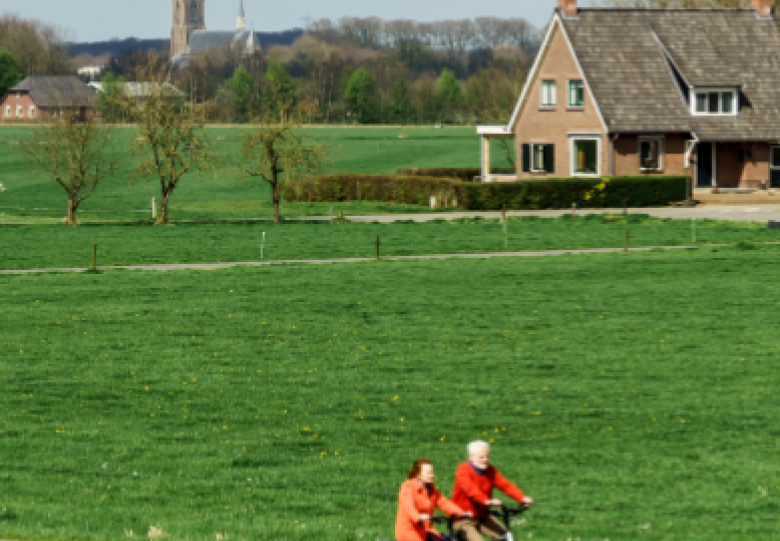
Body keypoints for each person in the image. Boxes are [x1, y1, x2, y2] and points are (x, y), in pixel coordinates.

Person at [451, 441, 533, 541]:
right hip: (462, 519)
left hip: (483, 516)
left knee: (505, 536)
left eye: (487, 457)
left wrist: (521, 498)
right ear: (471, 457)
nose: (485, 460)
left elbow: (505, 485)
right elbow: (470, 490)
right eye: (481, 457)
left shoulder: (490, 470)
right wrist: (487, 501)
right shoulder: (463, 470)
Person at [396, 458, 469, 541]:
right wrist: (418, 517)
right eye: (428, 473)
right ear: (418, 474)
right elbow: (408, 506)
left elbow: (443, 502)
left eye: (432, 472)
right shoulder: (408, 487)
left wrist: (461, 513)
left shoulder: (430, 488)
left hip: (426, 529)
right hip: (409, 531)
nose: (432, 475)